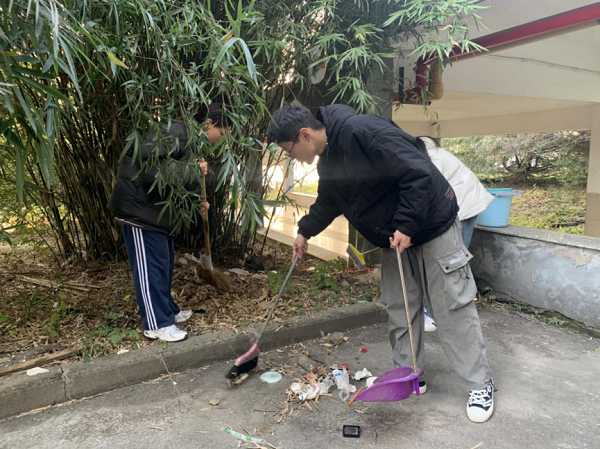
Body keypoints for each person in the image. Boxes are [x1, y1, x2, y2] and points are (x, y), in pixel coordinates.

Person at [268, 103, 495, 423]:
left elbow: (418, 173)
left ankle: (480, 384)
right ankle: (409, 375)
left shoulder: (363, 131)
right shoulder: (328, 158)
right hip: (395, 237)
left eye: (289, 150)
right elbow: (329, 200)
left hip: (432, 226)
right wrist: (305, 231)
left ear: (305, 134)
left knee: (451, 306)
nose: (293, 157)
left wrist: (407, 224)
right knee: (400, 306)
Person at [108, 103, 231, 342]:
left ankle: (167, 311)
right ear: (209, 124)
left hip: (154, 211)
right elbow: (151, 169)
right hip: (139, 210)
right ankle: (156, 324)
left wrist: (195, 202)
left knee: (163, 264)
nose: (222, 140)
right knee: (150, 268)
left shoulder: (188, 138)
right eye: (222, 133)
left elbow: (176, 180)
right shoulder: (174, 131)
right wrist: (194, 170)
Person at [418, 136, 494, 333]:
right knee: (451, 261)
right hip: (461, 206)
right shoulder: (432, 154)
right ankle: (442, 311)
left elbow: (427, 195)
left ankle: (439, 313)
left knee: (452, 261)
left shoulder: (432, 159)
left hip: (462, 208)